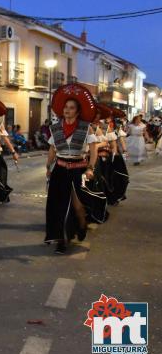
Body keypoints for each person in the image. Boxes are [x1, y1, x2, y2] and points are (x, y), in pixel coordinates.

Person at [44, 83, 102, 254]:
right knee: (58, 206)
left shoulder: (86, 128)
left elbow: (93, 150)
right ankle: (61, 240)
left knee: (77, 206)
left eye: (71, 108)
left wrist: (90, 168)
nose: (67, 110)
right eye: (66, 107)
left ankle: (82, 224)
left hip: (78, 170)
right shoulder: (55, 128)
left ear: (77, 111)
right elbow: (52, 149)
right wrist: (48, 166)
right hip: (60, 170)